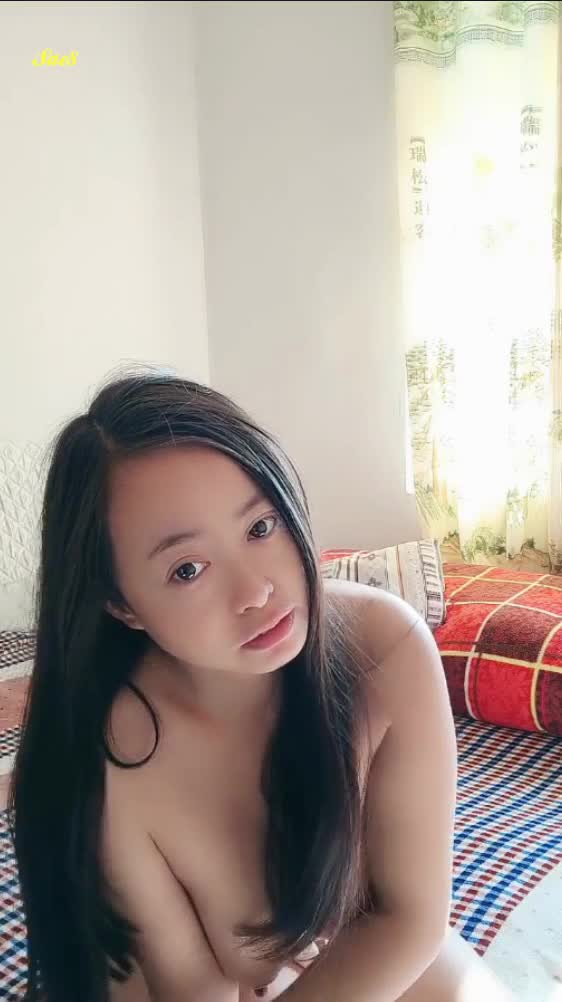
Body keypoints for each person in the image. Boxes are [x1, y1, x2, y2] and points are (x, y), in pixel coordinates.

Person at [9, 369, 515, 1002]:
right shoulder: (117, 750)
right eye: (187, 569)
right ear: (122, 605)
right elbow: (193, 987)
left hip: (361, 951)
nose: (257, 592)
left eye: (260, 528)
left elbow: (409, 918)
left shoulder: (386, 649)